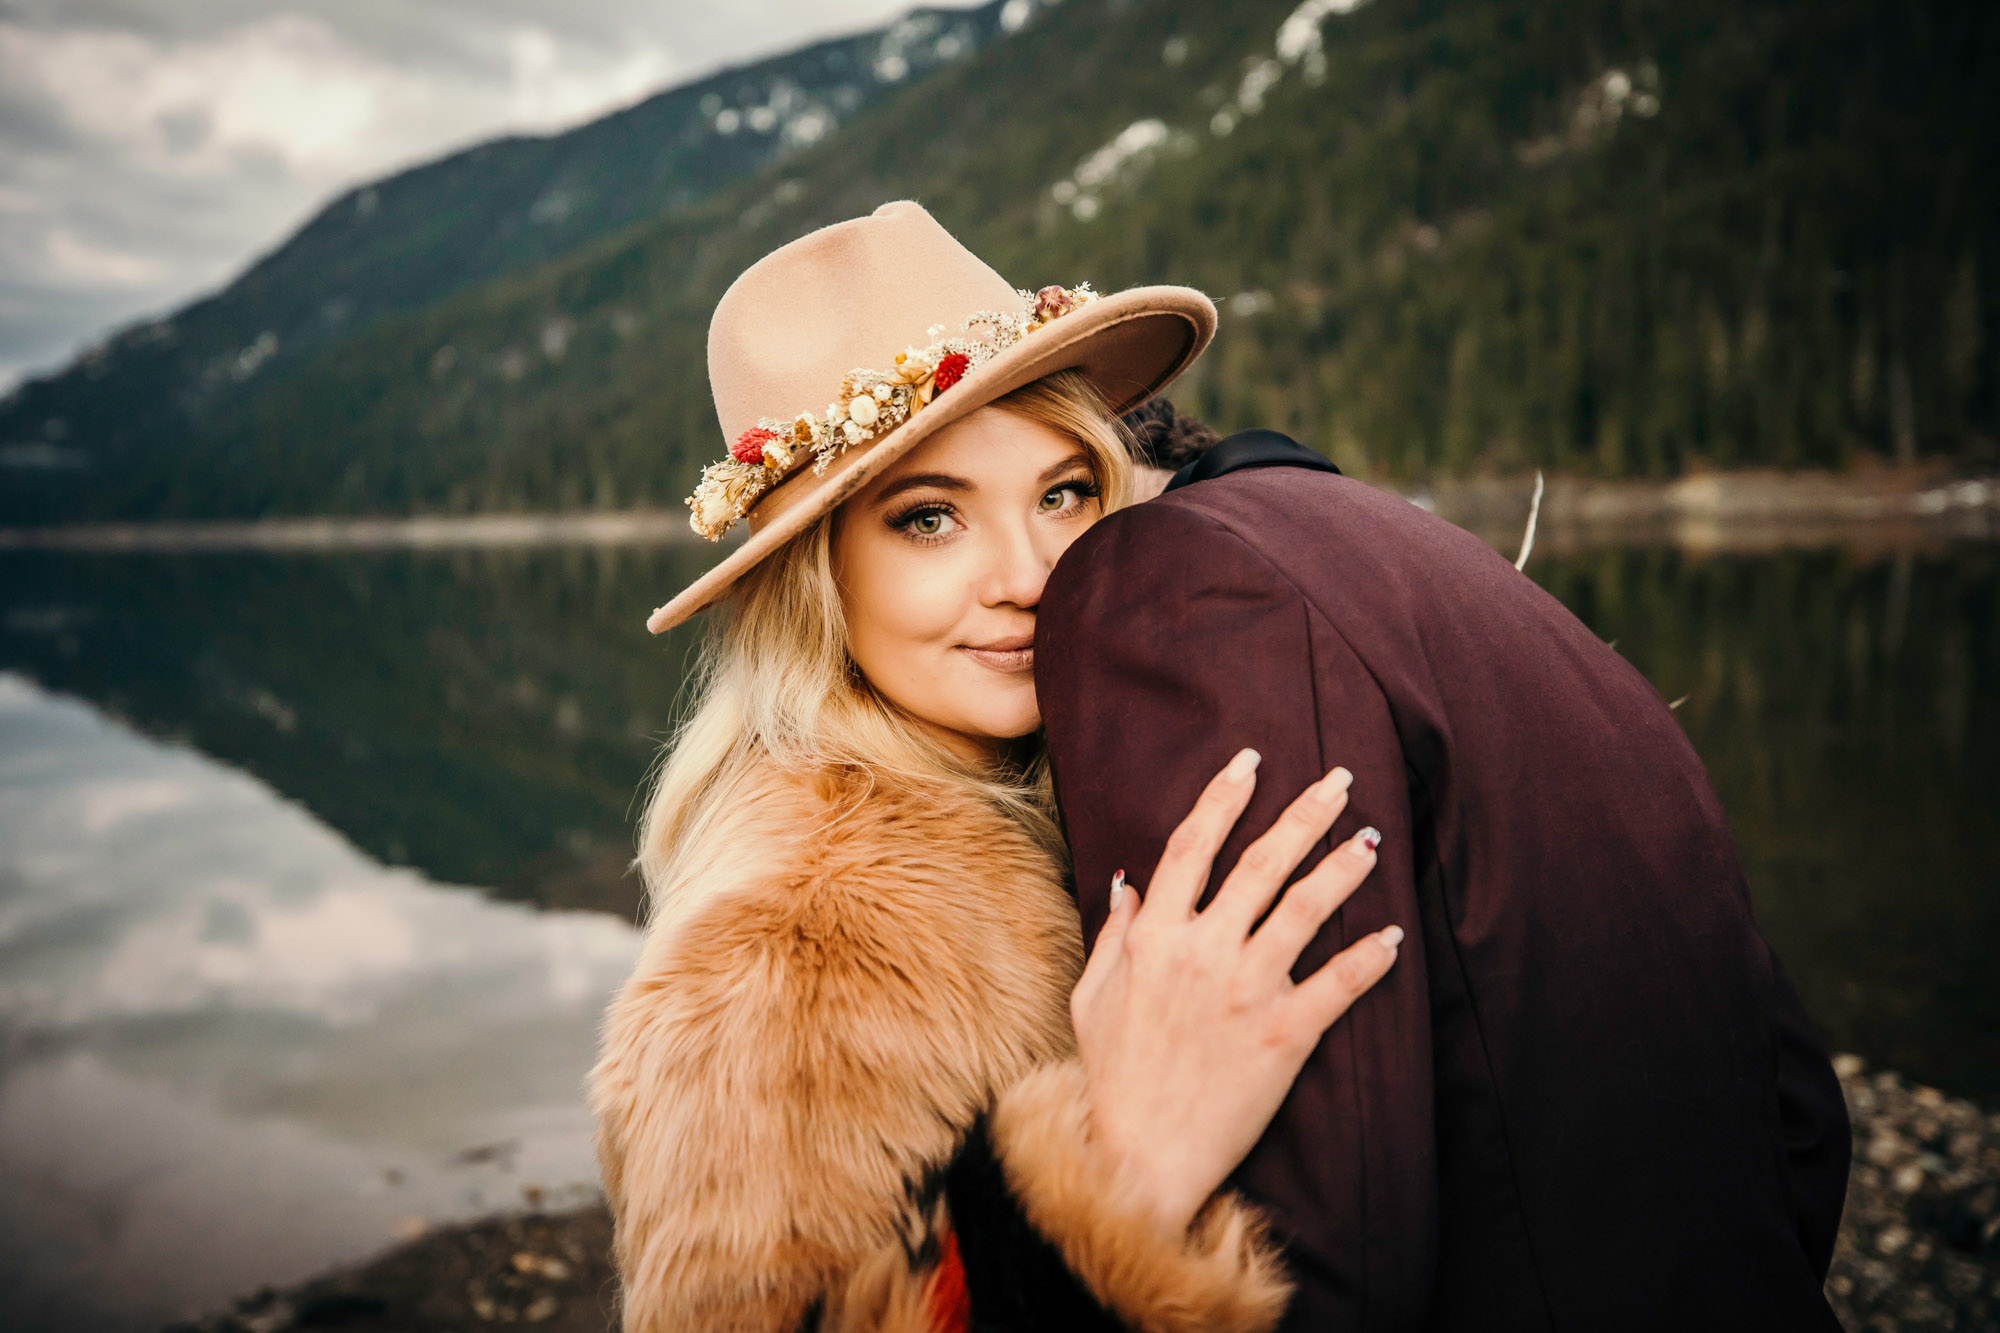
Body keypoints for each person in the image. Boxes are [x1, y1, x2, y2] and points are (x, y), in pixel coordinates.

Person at [587, 201, 1405, 1332]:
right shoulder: (791, 953)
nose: (1032, 574)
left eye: (1061, 494)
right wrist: (1128, 1167)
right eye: (929, 518)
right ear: (815, 582)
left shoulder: (1075, 772)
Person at [1039, 408, 1855, 1330]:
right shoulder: (1411, 549)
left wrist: (1126, 1176)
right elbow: (1803, 1117)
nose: (1026, 573)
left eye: (1060, 496)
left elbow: (1313, 1258)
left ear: (1112, 461)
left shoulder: (1177, 580)